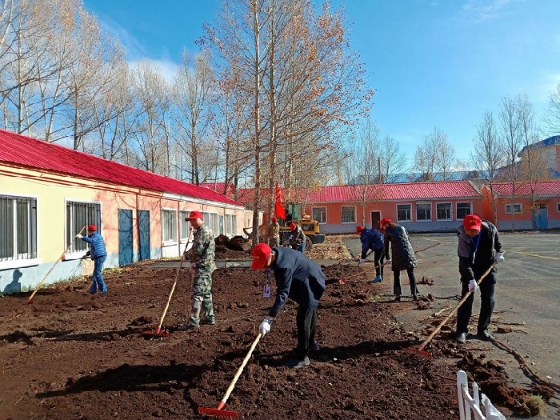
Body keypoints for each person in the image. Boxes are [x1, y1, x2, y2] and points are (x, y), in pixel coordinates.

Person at [251, 243, 326, 368]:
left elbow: (283, 293)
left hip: (312, 282)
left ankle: (302, 357)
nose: (264, 268)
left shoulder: (284, 266)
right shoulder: (276, 253)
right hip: (308, 277)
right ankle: (311, 344)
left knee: (303, 319)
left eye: (264, 264)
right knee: (309, 311)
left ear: (271, 256)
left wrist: (269, 318)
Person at [455, 214, 504, 344]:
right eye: (468, 230)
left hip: (488, 267)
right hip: (470, 268)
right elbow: (464, 261)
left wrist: (499, 253)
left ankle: (483, 330)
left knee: (489, 299)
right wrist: (471, 279)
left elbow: (497, 242)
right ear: (464, 227)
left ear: (480, 227)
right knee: (466, 299)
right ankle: (461, 331)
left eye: (474, 230)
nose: (471, 233)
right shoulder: (463, 236)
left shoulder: (491, 229)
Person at [180, 210, 216, 330]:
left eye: (194, 220)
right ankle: (209, 317)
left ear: (200, 219)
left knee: (198, 293)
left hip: (202, 267)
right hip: (207, 266)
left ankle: (193, 321)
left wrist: (186, 256)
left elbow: (197, 250)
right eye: (191, 221)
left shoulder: (203, 232)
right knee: (206, 293)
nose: (192, 223)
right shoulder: (202, 231)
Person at [380, 217, 419, 302]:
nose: (383, 228)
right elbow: (408, 240)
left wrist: (387, 258)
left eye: (383, 226)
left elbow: (385, 247)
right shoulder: (402, 228)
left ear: (385, 225)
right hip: (409, 252)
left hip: (397, 255)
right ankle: (414, 295)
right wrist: (409, 251)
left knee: (396, 274)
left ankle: (398, 296)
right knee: (411, 273)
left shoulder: (387, 231)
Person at [76, 225, 107, 293]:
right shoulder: (97, 236)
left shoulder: (95, 237)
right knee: (95, 273)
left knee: (97, 273)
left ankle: (103, 290)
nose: (88, 233)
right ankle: (93, 290)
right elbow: (94, 249)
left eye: (88, 231)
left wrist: (82, 237)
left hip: (100, 256)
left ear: (90, 231)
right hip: (99, 256)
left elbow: (91, 240)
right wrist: (86, 254)